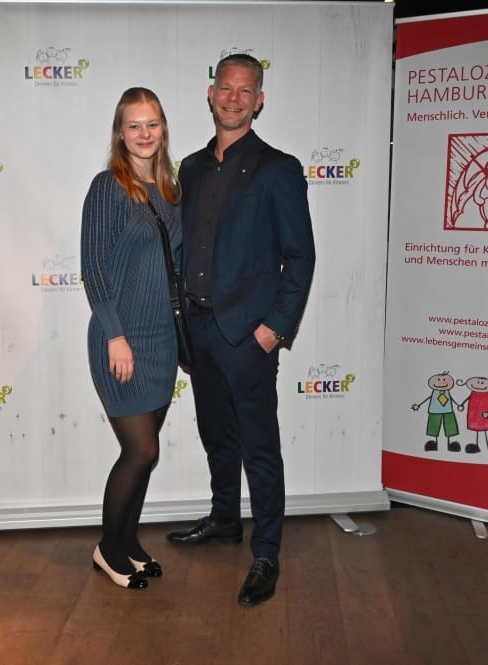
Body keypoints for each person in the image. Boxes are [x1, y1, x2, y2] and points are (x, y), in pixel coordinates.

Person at [166, 54, 316, 607]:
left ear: (259, 100)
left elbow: (300, 256)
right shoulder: (189, 168)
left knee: (260, 447)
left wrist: (273, 329)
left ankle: (266, 552)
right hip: (199, 330)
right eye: (225, 88)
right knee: (217, 435)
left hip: (248, 334)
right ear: (211, 94)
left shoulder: (279, 169)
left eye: (244, 90)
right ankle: (225, 519)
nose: (233, 98)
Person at [81, 87, 181, 590]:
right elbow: (93, 266)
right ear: (121, 134)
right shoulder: (108, 188)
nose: (145, 134)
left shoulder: (170, 190)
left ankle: (128, 541)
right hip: (121, 339)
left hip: (162, 340)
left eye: (152, 124)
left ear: (163, 129)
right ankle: (107, 548)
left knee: (149, 453)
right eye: (134, 125)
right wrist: (115, 336)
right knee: (139, 451)